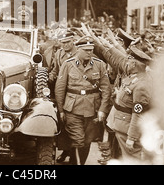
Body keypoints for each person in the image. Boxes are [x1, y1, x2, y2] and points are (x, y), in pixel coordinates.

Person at [94, 34, 153, 163]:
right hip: (121, 126)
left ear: (136, 64)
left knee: (132, 160)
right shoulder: (133, 78)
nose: (128, 63)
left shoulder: (141, 85)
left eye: (131, 61)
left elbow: (138, 114)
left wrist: (132, 137)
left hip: (127, 130)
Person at [55, 36, 112, 165]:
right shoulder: (68, 64)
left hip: (93, 109)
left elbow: (106, 89)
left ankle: (77, 163)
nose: (89, 52)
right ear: (78, 50)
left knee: (87, 142)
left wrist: (103, 109)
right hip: (72, 109)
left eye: (91, 50)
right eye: (86, 50)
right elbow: (60, 89)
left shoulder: (99, 65)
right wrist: (61, 111)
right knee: (78, 140)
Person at [48, 30, 77, 164]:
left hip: (73, 92)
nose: (65, 45)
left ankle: (73, 154)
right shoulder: (59, 53)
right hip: (60, 92)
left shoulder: (79, 54)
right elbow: (56, 69)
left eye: (67, 42)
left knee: (73, 123)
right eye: (63, 43)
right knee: (62, 122)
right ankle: (65, 151)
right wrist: (51, 76)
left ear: (73, 41)